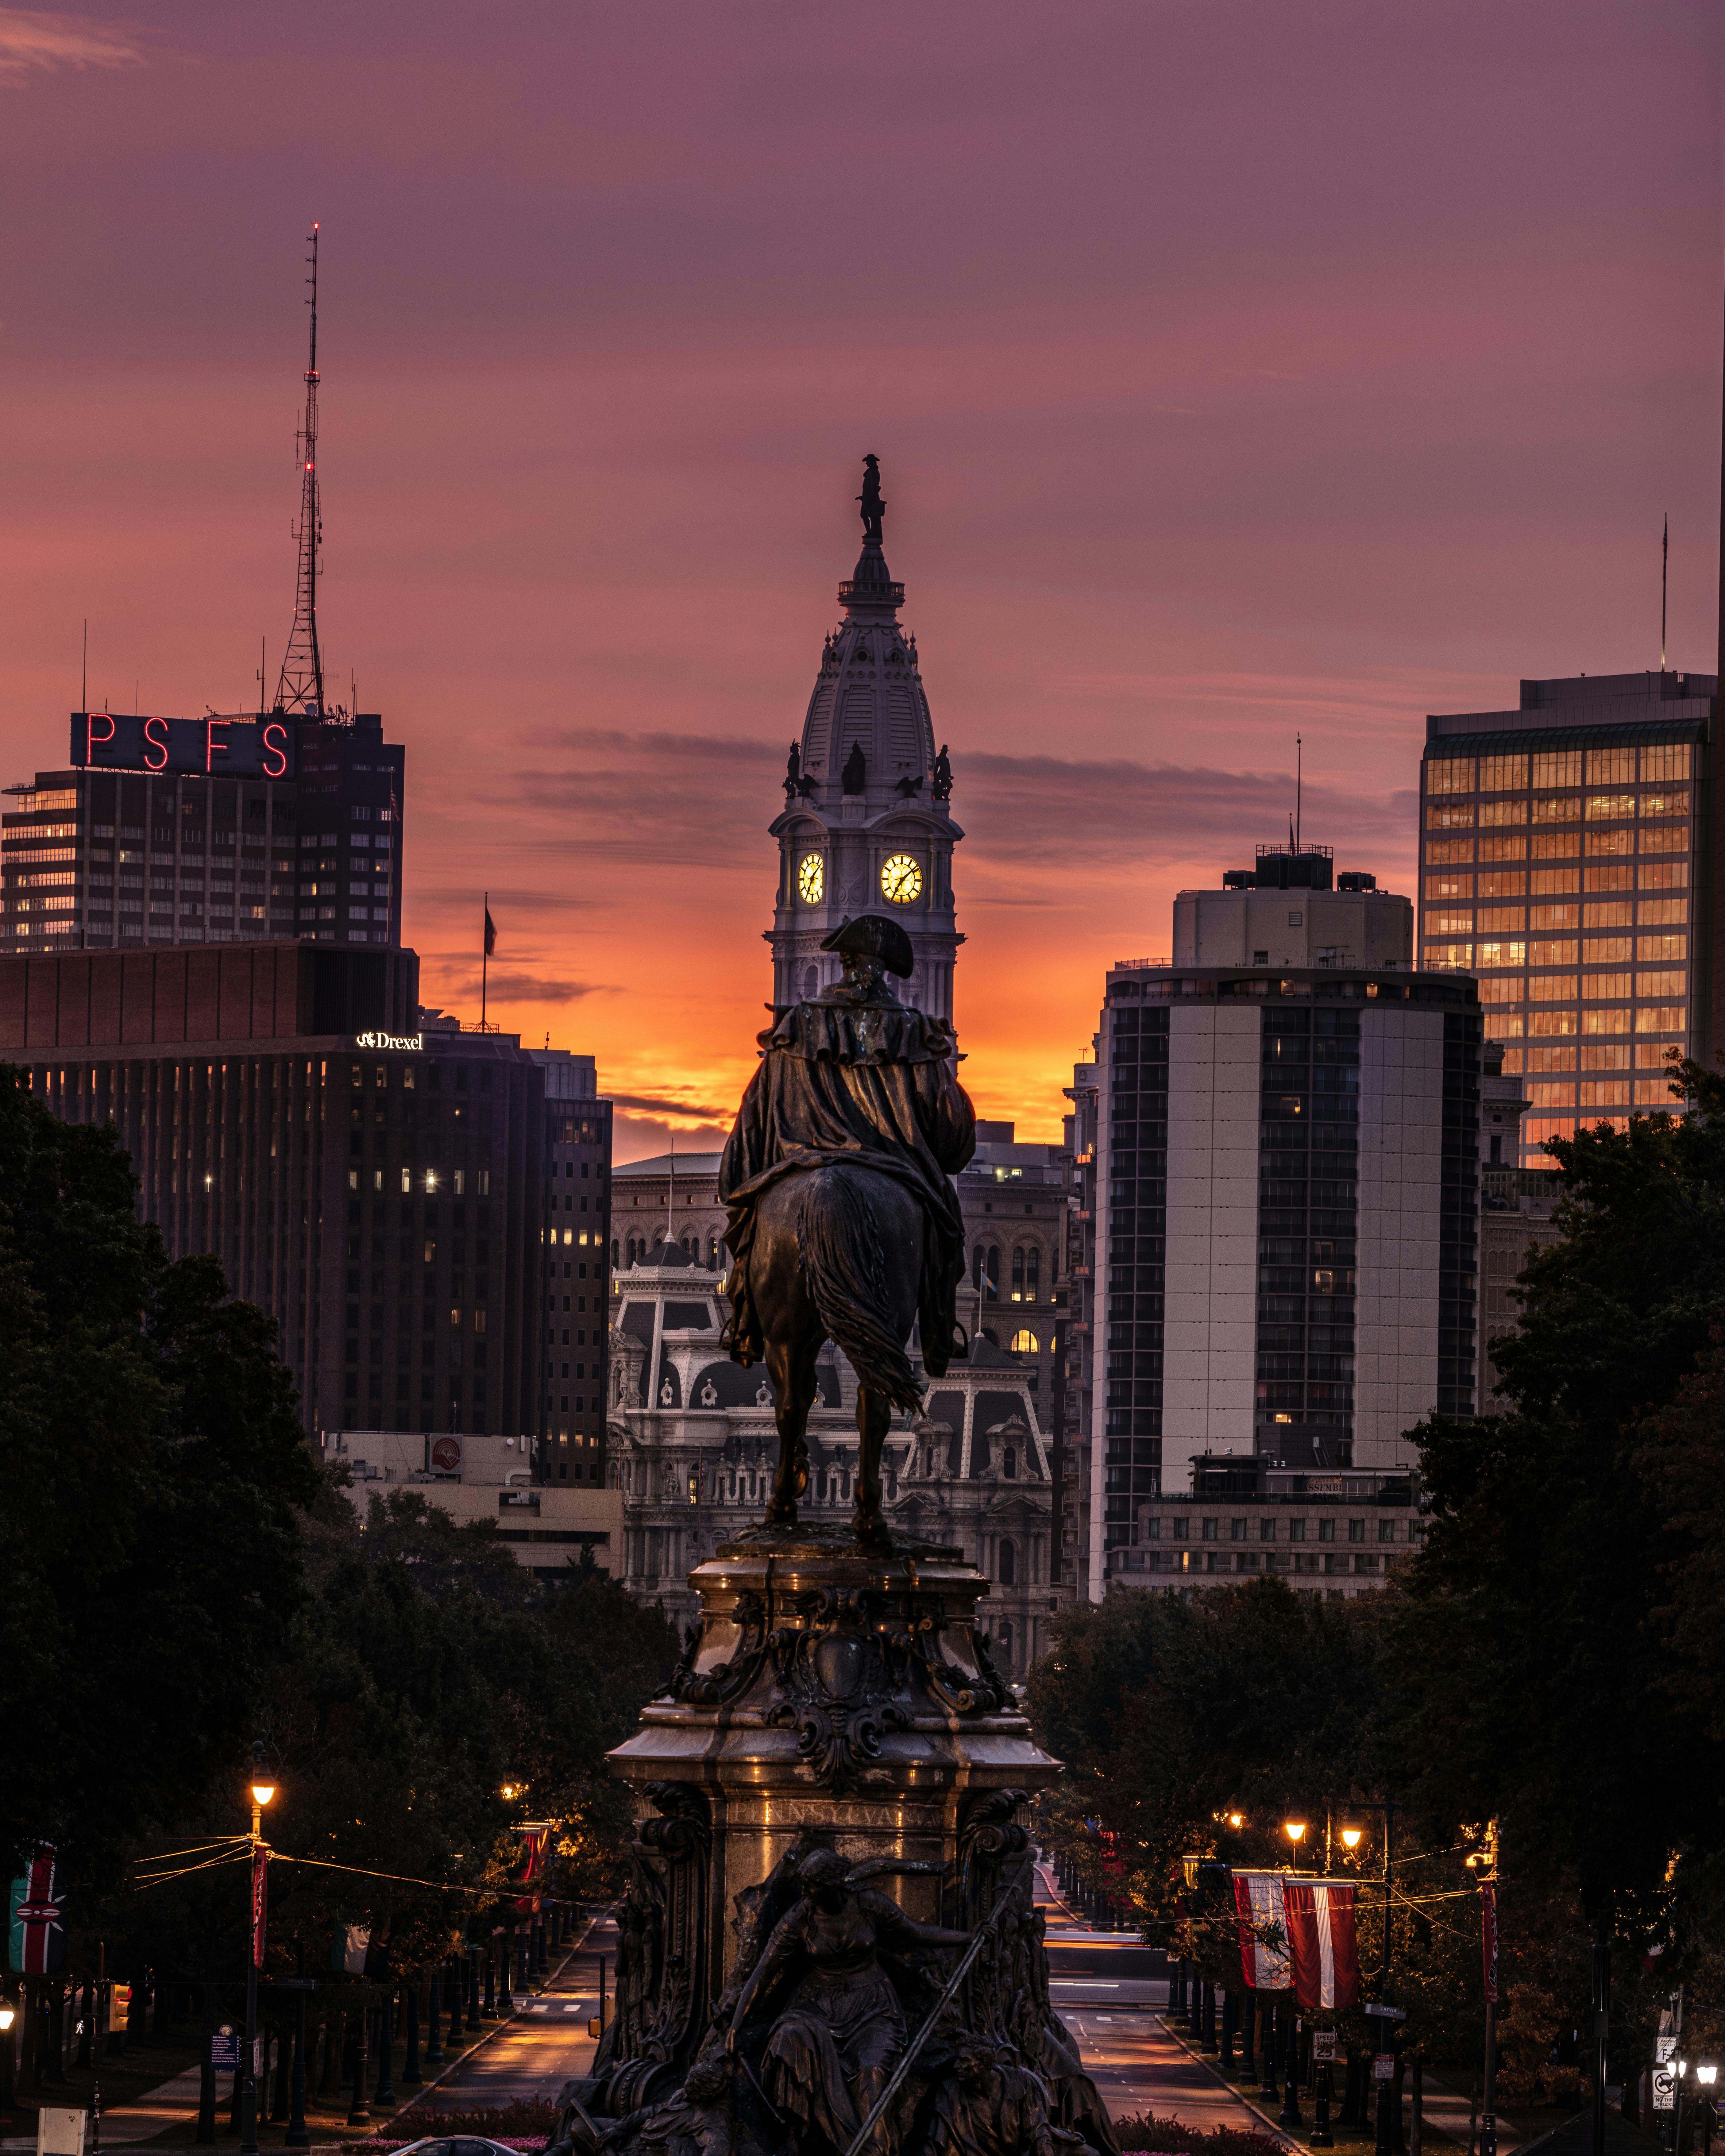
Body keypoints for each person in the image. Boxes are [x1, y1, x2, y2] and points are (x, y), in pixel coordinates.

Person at [726, 1849, 971, 2156]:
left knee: (872, 2068)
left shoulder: (869, 1903)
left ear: (833, 1884)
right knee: (789, 2037)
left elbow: (916, 1932)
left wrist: (967, 1937)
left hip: (871, 2005)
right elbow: (764, 1971)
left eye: (812, 1885)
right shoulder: (801, 1916)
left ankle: (876, 2150)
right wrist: (736, 2025)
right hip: (815, 2004)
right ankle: (798, 2140)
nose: (806, 1892)